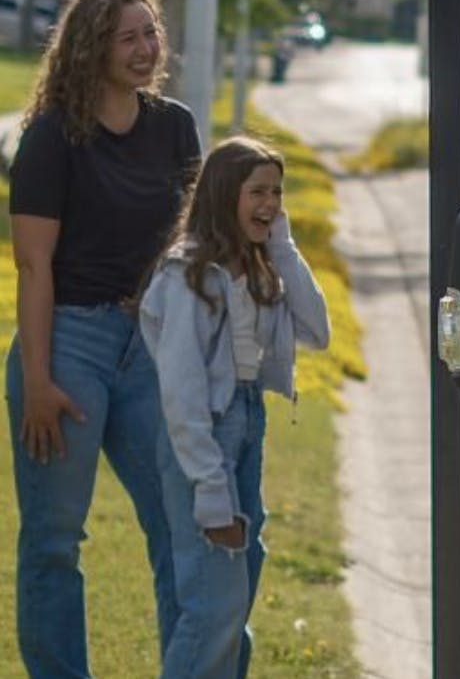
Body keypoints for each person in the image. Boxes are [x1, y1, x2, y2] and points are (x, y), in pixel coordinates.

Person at [6, 0, 201, 676]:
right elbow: (34, 267)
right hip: (68, 344)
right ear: (91, 48)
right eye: (128, 37)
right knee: (55, 538)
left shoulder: (175, 126)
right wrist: (37, 379)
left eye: (151, 31)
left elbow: (192, 245)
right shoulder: (53, 139)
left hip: (149, 345)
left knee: (183, 523)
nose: (147, 48)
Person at [138, 136, 330, 679]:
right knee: (213, 608)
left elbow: (317, 329)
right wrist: (209, 483)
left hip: (247, 423)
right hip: (206, 436)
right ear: (225, 195)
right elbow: (181, 390)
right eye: (257, 193)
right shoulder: (188, 274)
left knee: (237, 592)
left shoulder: (263, 265)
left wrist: (284, 248)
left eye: (277, 193)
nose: (270, 204)